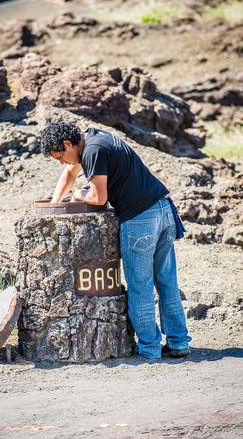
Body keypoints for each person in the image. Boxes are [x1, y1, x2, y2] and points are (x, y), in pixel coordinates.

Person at [40, 122, 191, 359]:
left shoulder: (92, 151)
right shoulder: (94, 139)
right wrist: (54, 204)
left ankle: (150, 349)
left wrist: (79, 194)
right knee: (166, 281)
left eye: (60, 155)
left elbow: (99, 198)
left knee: (140, 286)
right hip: (163, 209)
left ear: (68, 144)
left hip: (140, 219)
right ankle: (179, 343)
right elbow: (70, 171)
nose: (62, 161)